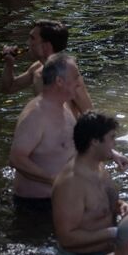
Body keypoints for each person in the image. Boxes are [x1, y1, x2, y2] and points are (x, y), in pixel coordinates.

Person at [52, 112, 128, 255]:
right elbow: (66, 238)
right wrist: (112, 233)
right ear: (95, 141)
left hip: (107, 251)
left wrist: (120, 205)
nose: (115, 143)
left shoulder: (98, 166)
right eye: (112, 138)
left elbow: (97, 205)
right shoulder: (71, 183)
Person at [9, 53, 81, 212]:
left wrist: (110, 153)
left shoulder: (64, 106)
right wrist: (54, 181)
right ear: (59, 82)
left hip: (62, 198)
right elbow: (16, 159)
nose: (79, 83)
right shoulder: (36, 115)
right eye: (76, 77)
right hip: (37, 206)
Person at [0, 20, 98, 116]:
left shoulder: (68, 75)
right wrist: (9, 64)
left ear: (46, 46)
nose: (27, 43)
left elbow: (90, 115)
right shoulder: (36, 68)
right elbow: (8, 88)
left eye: (32, 38)